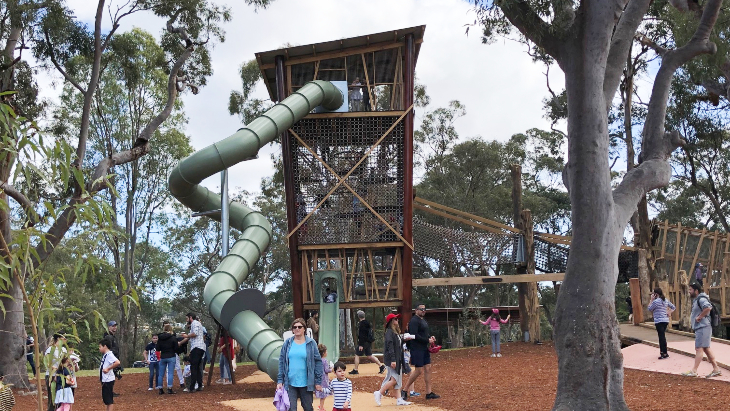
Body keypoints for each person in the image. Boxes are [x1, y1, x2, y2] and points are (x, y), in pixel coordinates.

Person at [277, 318, 323, 411]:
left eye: (299, 327)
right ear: (292, 330)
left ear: (304, 329)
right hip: (290, 382)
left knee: (308, 408)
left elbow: (318, 361)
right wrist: (279, 380)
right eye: (294, 327)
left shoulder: (311, 343)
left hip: (306, 382)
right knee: (290, 408)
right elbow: (282, 361)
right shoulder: (288, 343)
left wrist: (318, 381)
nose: (297, 329)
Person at [681, 283, 722, 378]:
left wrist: (700, 317)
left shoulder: (701, 299)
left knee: (699, 348)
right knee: (706, 348)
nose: (689, 292)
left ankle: (694, 370)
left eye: (690, 290)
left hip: (703, 327)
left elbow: (708, 307)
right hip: (702, 327)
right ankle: (716, 369)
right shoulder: (697, 300)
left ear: (696, 290)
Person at [403, 303, 439, 400]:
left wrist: (430, 337)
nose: (423, 311)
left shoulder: (423, 321)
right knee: (418, 370)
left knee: (428, 368)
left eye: (424, 309)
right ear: (416, 310)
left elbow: (423, 334)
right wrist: (427, 340)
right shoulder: (414, 321)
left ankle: (429, 392)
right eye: (421, 309)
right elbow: (414, 335)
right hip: (417, 348)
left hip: (424, 348)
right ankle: (405, 390)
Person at [374, 313, 412, 406]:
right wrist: (393, 360)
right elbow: (390, 347)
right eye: (395, 319)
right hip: (392, 360)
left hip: (396, 359)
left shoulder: (395, 333)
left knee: (397, 379)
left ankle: (399, 399)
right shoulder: (389, 332)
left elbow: (397, 345)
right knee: (394, 379)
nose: (397, 321)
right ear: (391, 321)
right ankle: (379, 393)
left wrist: (404, 339)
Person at [350, 310, 385, 375]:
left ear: (358, 317)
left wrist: (361, 345)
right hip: (368, 342)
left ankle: (355, 369)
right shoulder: (367, 323)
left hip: (363, 342)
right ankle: (381, 366)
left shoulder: (362, 324)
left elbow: (362, 335)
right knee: (369, 356)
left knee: (357, 355)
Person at [647, 287, 675, 359]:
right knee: (662, 336)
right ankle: (664, 352)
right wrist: (669, 312)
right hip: (665, 320)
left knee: (661, 337)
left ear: (656, 294)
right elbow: (673, 307)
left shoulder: (656, 302)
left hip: (659, 321)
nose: (652, 295)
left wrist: (651, 300)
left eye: (653, 293)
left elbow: (649, 309)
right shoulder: (665, 300)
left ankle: (664, 353)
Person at [181, 312, 205, 393]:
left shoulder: (195, 323)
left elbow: (195, 334)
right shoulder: (195, 324)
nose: (187, 320)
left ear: (190, 317)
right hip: (198, 347)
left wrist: (187, 335)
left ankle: (192, 387)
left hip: (197, 347)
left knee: (194, 367)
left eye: (187, 318)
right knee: (197, 367)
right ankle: (199, 385)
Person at [44, 333, 67, 411]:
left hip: (61, 375)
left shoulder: (64, 350)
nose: (65, 339)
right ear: (58, 339)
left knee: (61, 397)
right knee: (52, 398)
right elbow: (47, 363)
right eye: (64, 338)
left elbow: (65, 362)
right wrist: (53, 369)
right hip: (51, 375)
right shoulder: (50, 349)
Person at [156, 324, 179, 394]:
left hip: (163, 357)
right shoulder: (173, 338)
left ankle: (160, 389)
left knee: (160, 374)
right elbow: (176, 348)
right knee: (170, 373)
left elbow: (158, 348)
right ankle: (169, 388)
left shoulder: (160, 338)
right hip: (171, 356)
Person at [99, 339, 120, 411]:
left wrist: (108, 369)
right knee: (107, 399)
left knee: (109, 399)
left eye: (100, 346)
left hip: (108, 380)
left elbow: (117, 362)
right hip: (105, 379)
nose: (99, 348)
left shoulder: (109, 355)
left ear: (105, 346)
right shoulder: (106, 355)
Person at [102, 321, 121, 397]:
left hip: (113, 357)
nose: (115, 327)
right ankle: (108, 392)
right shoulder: (108, 337)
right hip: (110, 358)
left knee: (112, 375)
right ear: (109, 327)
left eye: (115, 326)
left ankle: (110, 391)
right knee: (109, 375)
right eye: (113, 326)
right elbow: (108, 348)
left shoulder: (112, 336)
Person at [314, 344, 332, 411]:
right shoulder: (324, 361)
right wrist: (331, 369)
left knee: (322, 395)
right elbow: (326, 370)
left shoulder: (316, 360)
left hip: (318, 379)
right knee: (324, 395)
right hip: (324, 379)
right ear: (324, 353)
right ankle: (321, 408)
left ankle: (321, 406)